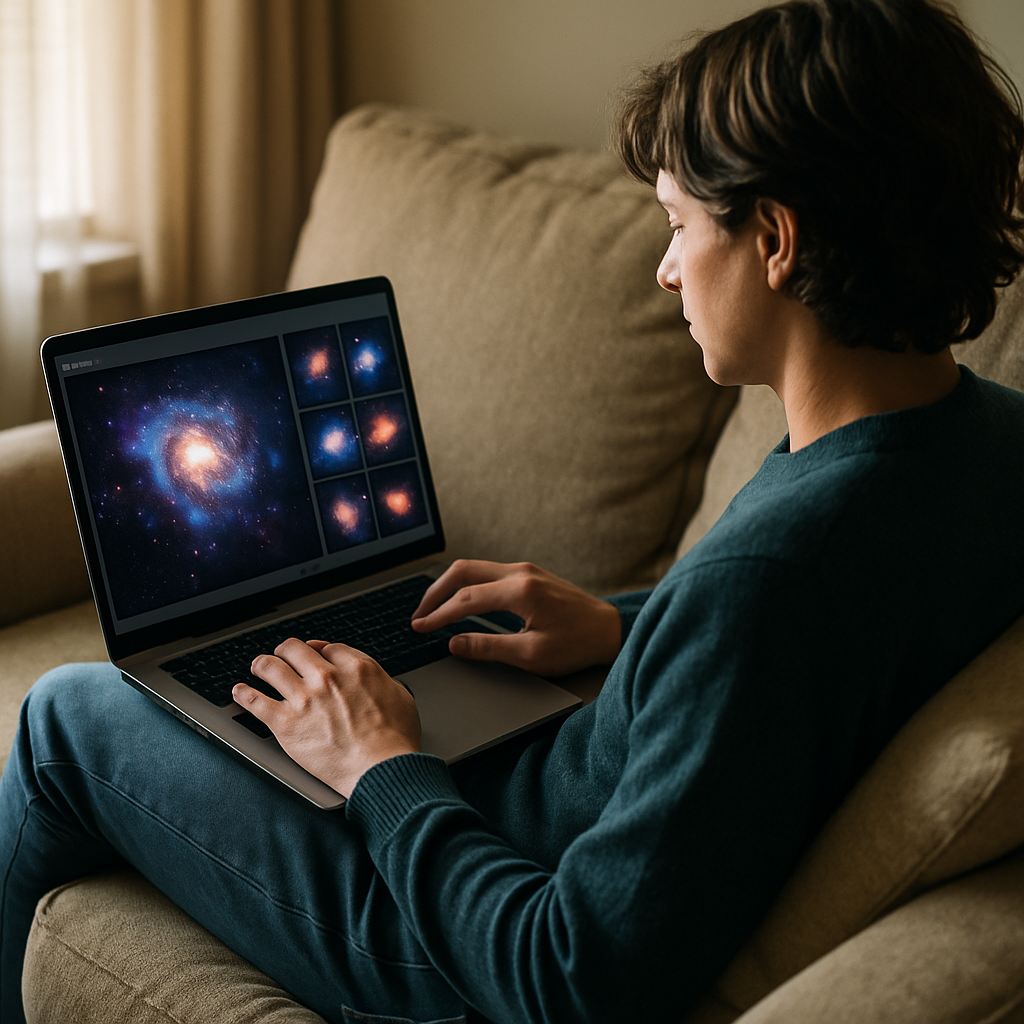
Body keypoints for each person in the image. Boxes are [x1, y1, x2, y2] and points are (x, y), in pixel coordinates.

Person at [4, 0, 1024, 1021]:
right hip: (516, 794)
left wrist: (380, 764)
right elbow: (775, 682)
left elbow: (566, 980)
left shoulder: (770, 582)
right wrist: (628, 632)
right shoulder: (985, 443)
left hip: (457, 931)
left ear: (774, 240)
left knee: (67, 715)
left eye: (677, 224)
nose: (666, 268)